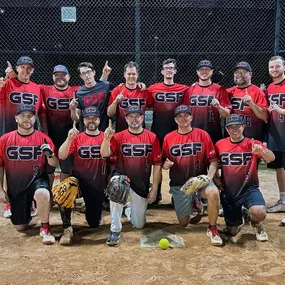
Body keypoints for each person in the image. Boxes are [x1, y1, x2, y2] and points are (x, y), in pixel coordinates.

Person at [101, 105, 162, 246]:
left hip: (141, 182)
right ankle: (115, 230)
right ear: (126, 119)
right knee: (117, 187)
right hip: (122, 177)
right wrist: (106, 139)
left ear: (142, 118)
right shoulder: (118, 136)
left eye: (137, 116)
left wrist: (154, 189)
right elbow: (104, 154)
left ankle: (128, 210)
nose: (134, 119)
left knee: (139, 224)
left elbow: (157, 164)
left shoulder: (152, 137)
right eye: (131, 116)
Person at [162, 104, 223, 246]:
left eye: (186, 115)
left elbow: (213, 161)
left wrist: (208, 177)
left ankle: (212, 228)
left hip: (200, 181)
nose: (183, 118)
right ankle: (195, 203)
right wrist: (166, 165)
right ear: (175, 119)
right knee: (184, 223)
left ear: (191, 117)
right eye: (179, 116)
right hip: (180, 184)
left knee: (213, 192)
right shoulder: (168, 138)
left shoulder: (202, 135)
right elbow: (163, 163)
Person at [0, 104, 59, 244]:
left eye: (30, 116)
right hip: (16, 187)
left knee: (43, 193)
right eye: (23, 115)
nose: (26, 119)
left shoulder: (43, 138)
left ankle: (45, 227)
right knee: (21, 227)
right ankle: (28, 207)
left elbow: (55, 164)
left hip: (37, 180)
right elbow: (0, 165)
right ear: (16, 118)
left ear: (35, 119)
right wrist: (1, 189)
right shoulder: (5, 139)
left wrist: (50, 155)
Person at [215, 114, 275, 242]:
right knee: (233, 231)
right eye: (231, 127)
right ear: (227, 129)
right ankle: (242, 214)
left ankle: (256, 223)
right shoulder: (220, 144)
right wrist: (215, 178)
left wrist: (261, 152)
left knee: (259, 212)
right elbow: (213, 162)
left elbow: (271, 158)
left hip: (249, 189)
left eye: (237, 126)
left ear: (243, 127)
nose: (234, 130)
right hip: (229, 191)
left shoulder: (252, 143)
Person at [0, 56, 46, 218]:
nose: (26, 70)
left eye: (29, 68)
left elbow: (39, 111)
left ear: (33, 70)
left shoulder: (36, 88)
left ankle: (30, 201)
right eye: (23, 67)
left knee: (30, 165)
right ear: (16, 68)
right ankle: (10, 202)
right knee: (10, 167)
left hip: (30, 133)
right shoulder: (7, 83)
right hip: (9, 131)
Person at [58, 106, 109, 245]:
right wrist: (69, 139)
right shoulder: (77, 137)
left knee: (93, 224)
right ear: (83, 120)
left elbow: (109, 159)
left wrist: (108, 184)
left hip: (97, 184)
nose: (91, 121)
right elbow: (61, 155)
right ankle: (67, 228)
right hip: (79, 181)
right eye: (87, 118)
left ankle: (88, 206)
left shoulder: (106, 137)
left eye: (94, 118)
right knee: (66, 187)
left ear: (99, 120)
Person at [148, 58, 189, 203]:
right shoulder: (153, 88)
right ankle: (156, 192)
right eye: (166, 68)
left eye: (171, 68)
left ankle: (177, 194)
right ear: (162, 71)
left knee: (177, 162)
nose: (169, 70)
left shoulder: (184, 89)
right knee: (157, 163)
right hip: (158, 131)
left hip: (175, 133)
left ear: (175, 71)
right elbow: (143, 99)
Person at [183, 60, 231, 144]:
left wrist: (219, 107)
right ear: (197, 72)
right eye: (201, 69)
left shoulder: (220, 90)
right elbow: (184, 113)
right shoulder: (189, 90)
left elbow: (226, 114)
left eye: (207, 69)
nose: (204, 72)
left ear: (212, 71)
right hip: (193, 133)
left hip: (213, 133)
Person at [227, 61, 268, 142]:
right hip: (233, 138)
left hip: (253, 137)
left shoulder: (258, 92)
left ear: (250, 74)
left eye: (243, 72)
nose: (239, 74)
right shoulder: (228, 92)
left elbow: (265, 116)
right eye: (237, 72)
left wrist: (251, 104)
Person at [107, 61, 152, 132]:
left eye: (133, 74)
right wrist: (115, 102)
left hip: (140, 131)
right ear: (124, 75)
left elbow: (153, 107)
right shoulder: (117, 90)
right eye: (129, 74)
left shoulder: (144, 91)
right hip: (121, 131)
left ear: (137, 75)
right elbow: (109, 113)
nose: (131, 76)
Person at [265, 56, 285, 213]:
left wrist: (281, 111)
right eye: (271, 67)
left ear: (284, 67)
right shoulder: (270, 87)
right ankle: (283, 201)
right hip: (276, 133)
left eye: (277, 66)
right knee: (279, 167)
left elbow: (278, 109)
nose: (274, 69)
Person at [69, 62, 113, 132]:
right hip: (88, 130)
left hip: (105, 128)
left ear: (94, 73)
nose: (86, 75)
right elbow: (76, 119)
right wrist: (72, 109)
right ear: (81, 76)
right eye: (83, 73)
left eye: (88, 72)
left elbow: (119, 91)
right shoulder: (78, 93)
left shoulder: (106, 85)